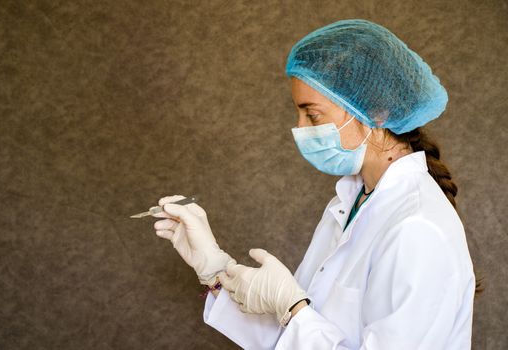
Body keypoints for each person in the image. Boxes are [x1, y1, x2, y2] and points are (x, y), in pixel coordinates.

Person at [153, 19, 481, 349]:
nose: (300, 129)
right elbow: (294, 337)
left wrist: (293, 308)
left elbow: (298, 323)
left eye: (312, 115)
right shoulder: (353, 199)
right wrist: (217, 271)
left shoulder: (418, 228)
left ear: (377, 112)